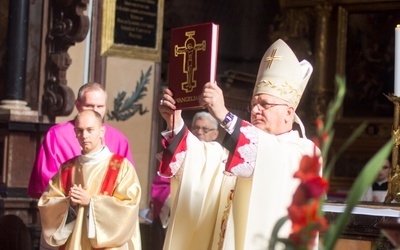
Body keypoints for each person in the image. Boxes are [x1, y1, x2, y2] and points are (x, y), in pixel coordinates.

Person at [158, 39, 319, 249]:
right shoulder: (231, 151)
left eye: (265, 104)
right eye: (253, 104)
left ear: (289, 112)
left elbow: (265, 156)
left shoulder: (303, 153)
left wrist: (224, 115)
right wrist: (174, 121)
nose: (255, 110)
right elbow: (194, 161)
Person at [38, 110, 141, 249]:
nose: (84, 136)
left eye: (90, 130)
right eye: (79, 131)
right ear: (75, 133)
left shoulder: (121, 167)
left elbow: (128, 208)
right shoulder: (67, 169)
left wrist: (91, 202)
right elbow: (47, 204)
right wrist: (69, 205)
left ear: (102, 131)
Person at [28, 82, 134, 199]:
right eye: (89, 106)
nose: (95, 111)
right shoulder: (57, 135)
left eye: (100, 106)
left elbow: (127, 181)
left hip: (105, 211)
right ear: (78, 105)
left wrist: (96, 203)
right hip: (68, 206)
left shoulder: (119, 139)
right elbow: (46, 179)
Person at [148, 111, 220, 249]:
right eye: (196, 128)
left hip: (207, 220)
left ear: (215, 134)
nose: (199, 132)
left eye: (205, 129)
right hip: (178, 219)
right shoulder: (181, 154)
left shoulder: (221, 156)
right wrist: (179, 198)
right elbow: (161, 187)